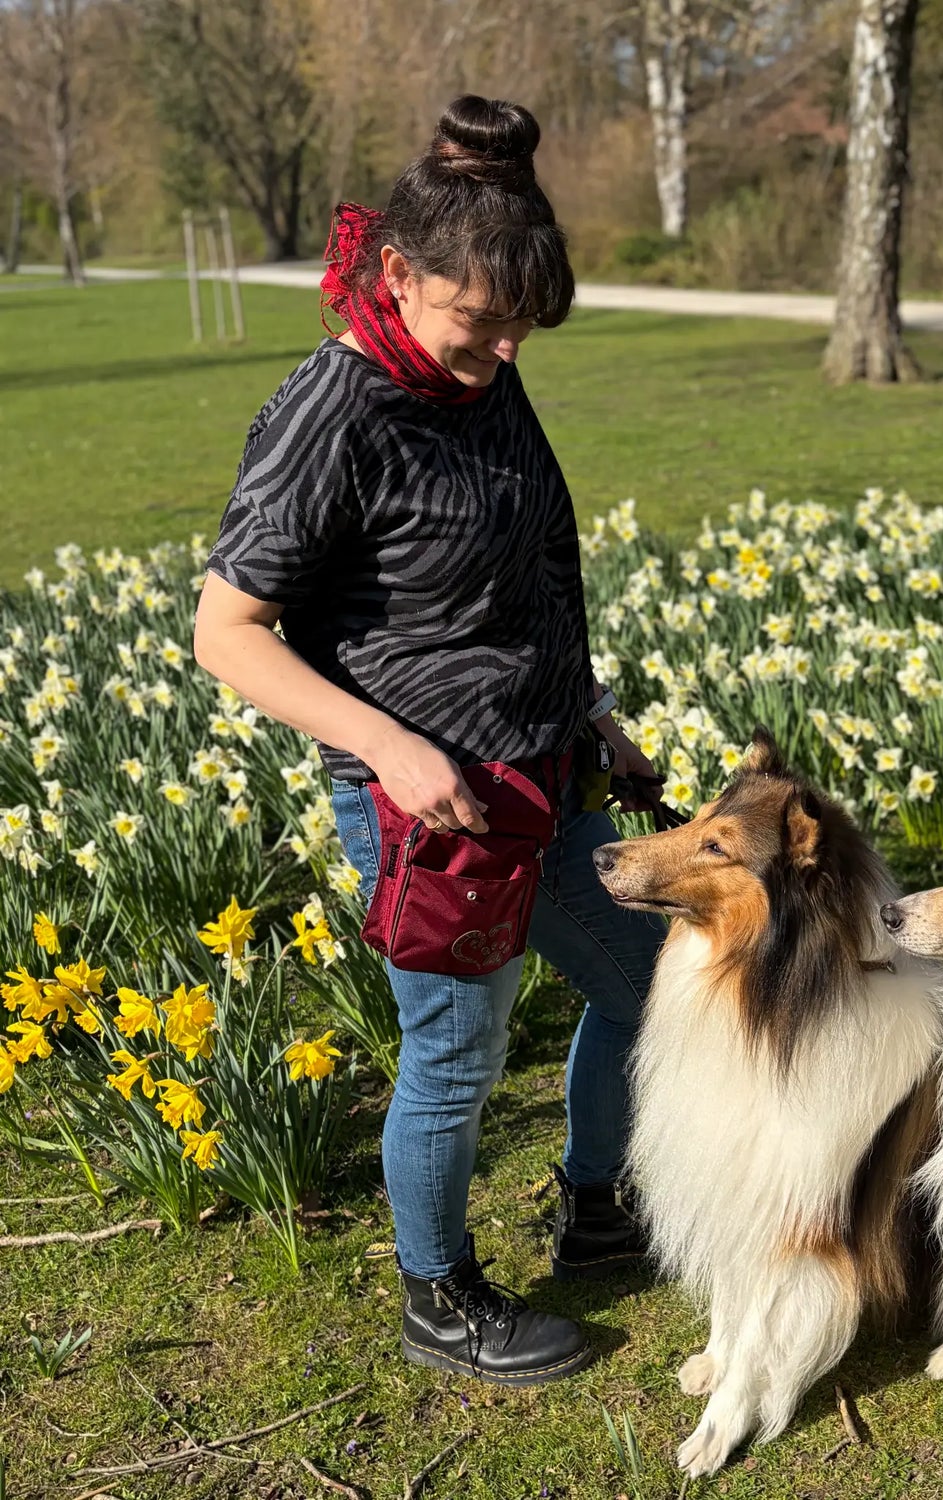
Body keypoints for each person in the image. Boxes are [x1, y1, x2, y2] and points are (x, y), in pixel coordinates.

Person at [193, 95, 665, 1386]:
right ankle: (439, 1294)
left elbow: (525, 579)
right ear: (397, 276)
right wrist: (391, 749)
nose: (505, 351)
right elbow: (227, 632)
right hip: (433, 806)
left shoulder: (477, 380)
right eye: (481, 320)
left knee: (650, 991)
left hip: (547, 771)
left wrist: (596, 721)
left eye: (522, 327)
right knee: (455, 1056)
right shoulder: (333, 413)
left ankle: (598, 1205)